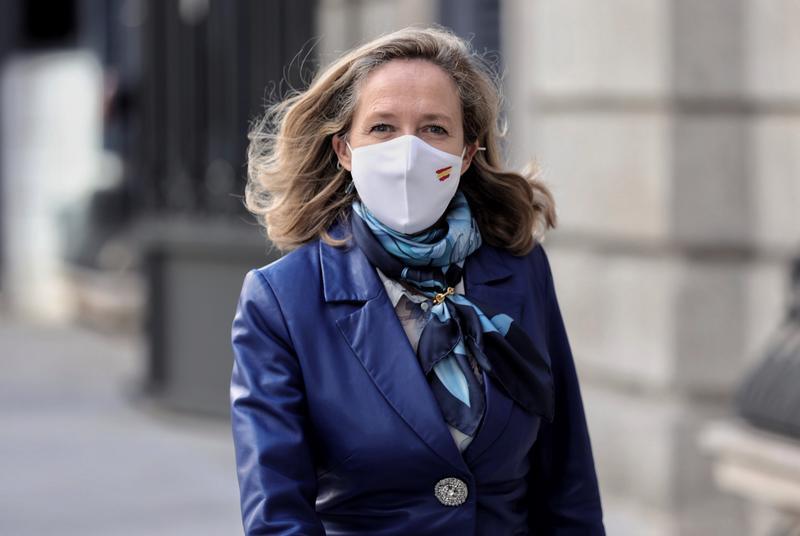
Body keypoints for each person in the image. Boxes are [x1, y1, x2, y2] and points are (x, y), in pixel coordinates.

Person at [230, 25, 605, 535]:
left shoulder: (521, 270)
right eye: (383, 127)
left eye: (434, 129)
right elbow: (277, 517)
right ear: (344, 149)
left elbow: (568, 480)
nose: (408, 151)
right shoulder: (281, 301)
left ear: (466, 154)